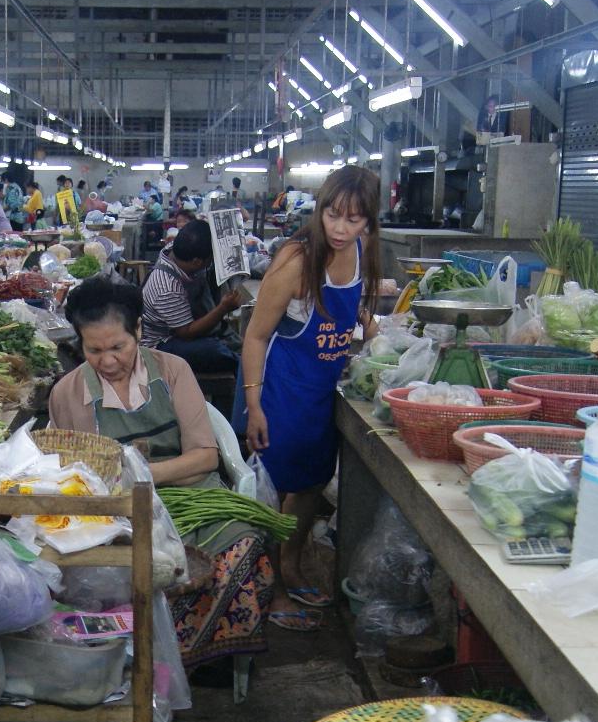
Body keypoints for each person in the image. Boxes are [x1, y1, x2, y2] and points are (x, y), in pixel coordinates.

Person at [48, 277, 275, 672]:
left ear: (138, 330)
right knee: (118, 568)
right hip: (119, 513)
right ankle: (146, 667)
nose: (107, 361)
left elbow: (204, 458)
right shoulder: (68, 393)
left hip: (194, 495)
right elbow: (77, 477)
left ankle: (199, 664)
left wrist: (141, 475)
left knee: (244, 544)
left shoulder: (172, 370)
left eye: (118, 347)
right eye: (94, 350)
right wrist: (131, 493)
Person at [236, 165, 382, 632]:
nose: (340, 228)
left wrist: (368, 326)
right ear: (319, 210)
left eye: (353, 219)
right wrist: (254, 407)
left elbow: (353, 306)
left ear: (368, 222)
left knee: (311, 485)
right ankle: (272, 587)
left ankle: (293, 567)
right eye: (332, 215)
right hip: (278, 392)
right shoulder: (296, 261)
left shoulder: (361, 250)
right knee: (273, 492)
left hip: (320, 392)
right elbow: (255, 337)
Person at [141, 219, 241, 386]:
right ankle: (242, 369)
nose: (212, 261)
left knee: (223, 340)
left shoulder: (175, 251)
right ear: (196, 262)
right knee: (215, 351)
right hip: (160, 345)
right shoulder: (167, 287)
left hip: (179, 327)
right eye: (211, 258)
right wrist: (223, 308)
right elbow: (186, 332)